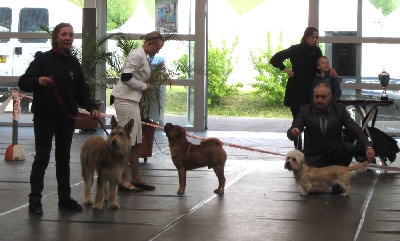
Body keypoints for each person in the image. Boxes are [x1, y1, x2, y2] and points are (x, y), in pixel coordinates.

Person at [18, 22, 101, 215]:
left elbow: (82, 91)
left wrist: (91, 107)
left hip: (65, 119)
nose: (68, 38)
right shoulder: (42, 60)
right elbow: (24, 81)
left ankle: (64, 198)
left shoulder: (73, 64)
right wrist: (38, 81)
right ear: (56, 38)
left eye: (71, 35)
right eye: (64, 34)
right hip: (44, 118)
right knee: (42, 157)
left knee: (63, 159)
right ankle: (35, 199)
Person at [111, 31, 165, 192]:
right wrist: (144, 86)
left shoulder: (142, 55)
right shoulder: (136, 54)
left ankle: (135, 178)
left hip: (132, 101)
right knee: (127, 142)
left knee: (137, 141)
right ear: (149, 44)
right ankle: (122, 179)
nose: (158, 52)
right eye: (157, 48)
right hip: (125, 101)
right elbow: (126, 77)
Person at [270, 27, 337, 150]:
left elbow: (321, 65)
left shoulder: (316, 51)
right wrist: (287, 70)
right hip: (296, 90)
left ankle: (309, 150)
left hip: (310, 90)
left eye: (317, 38)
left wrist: (330, 70)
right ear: (306, 37)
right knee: (297, 121)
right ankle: (297, 148)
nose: (315, 40)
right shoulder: (295, 49)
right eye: (313, 37)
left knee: (312, 121)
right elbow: (275, 59)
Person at [287, 82, 376, 168]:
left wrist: (367, 146)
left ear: (330, 97)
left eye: (323, 97)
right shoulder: (305, 110)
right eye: (317, 97)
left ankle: (338, 177)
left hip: (334, 156)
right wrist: (293, 132)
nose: (319, 100)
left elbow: (354, 129)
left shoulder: (340, 110)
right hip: (313, 157)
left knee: (348, 147)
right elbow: (294, 127)